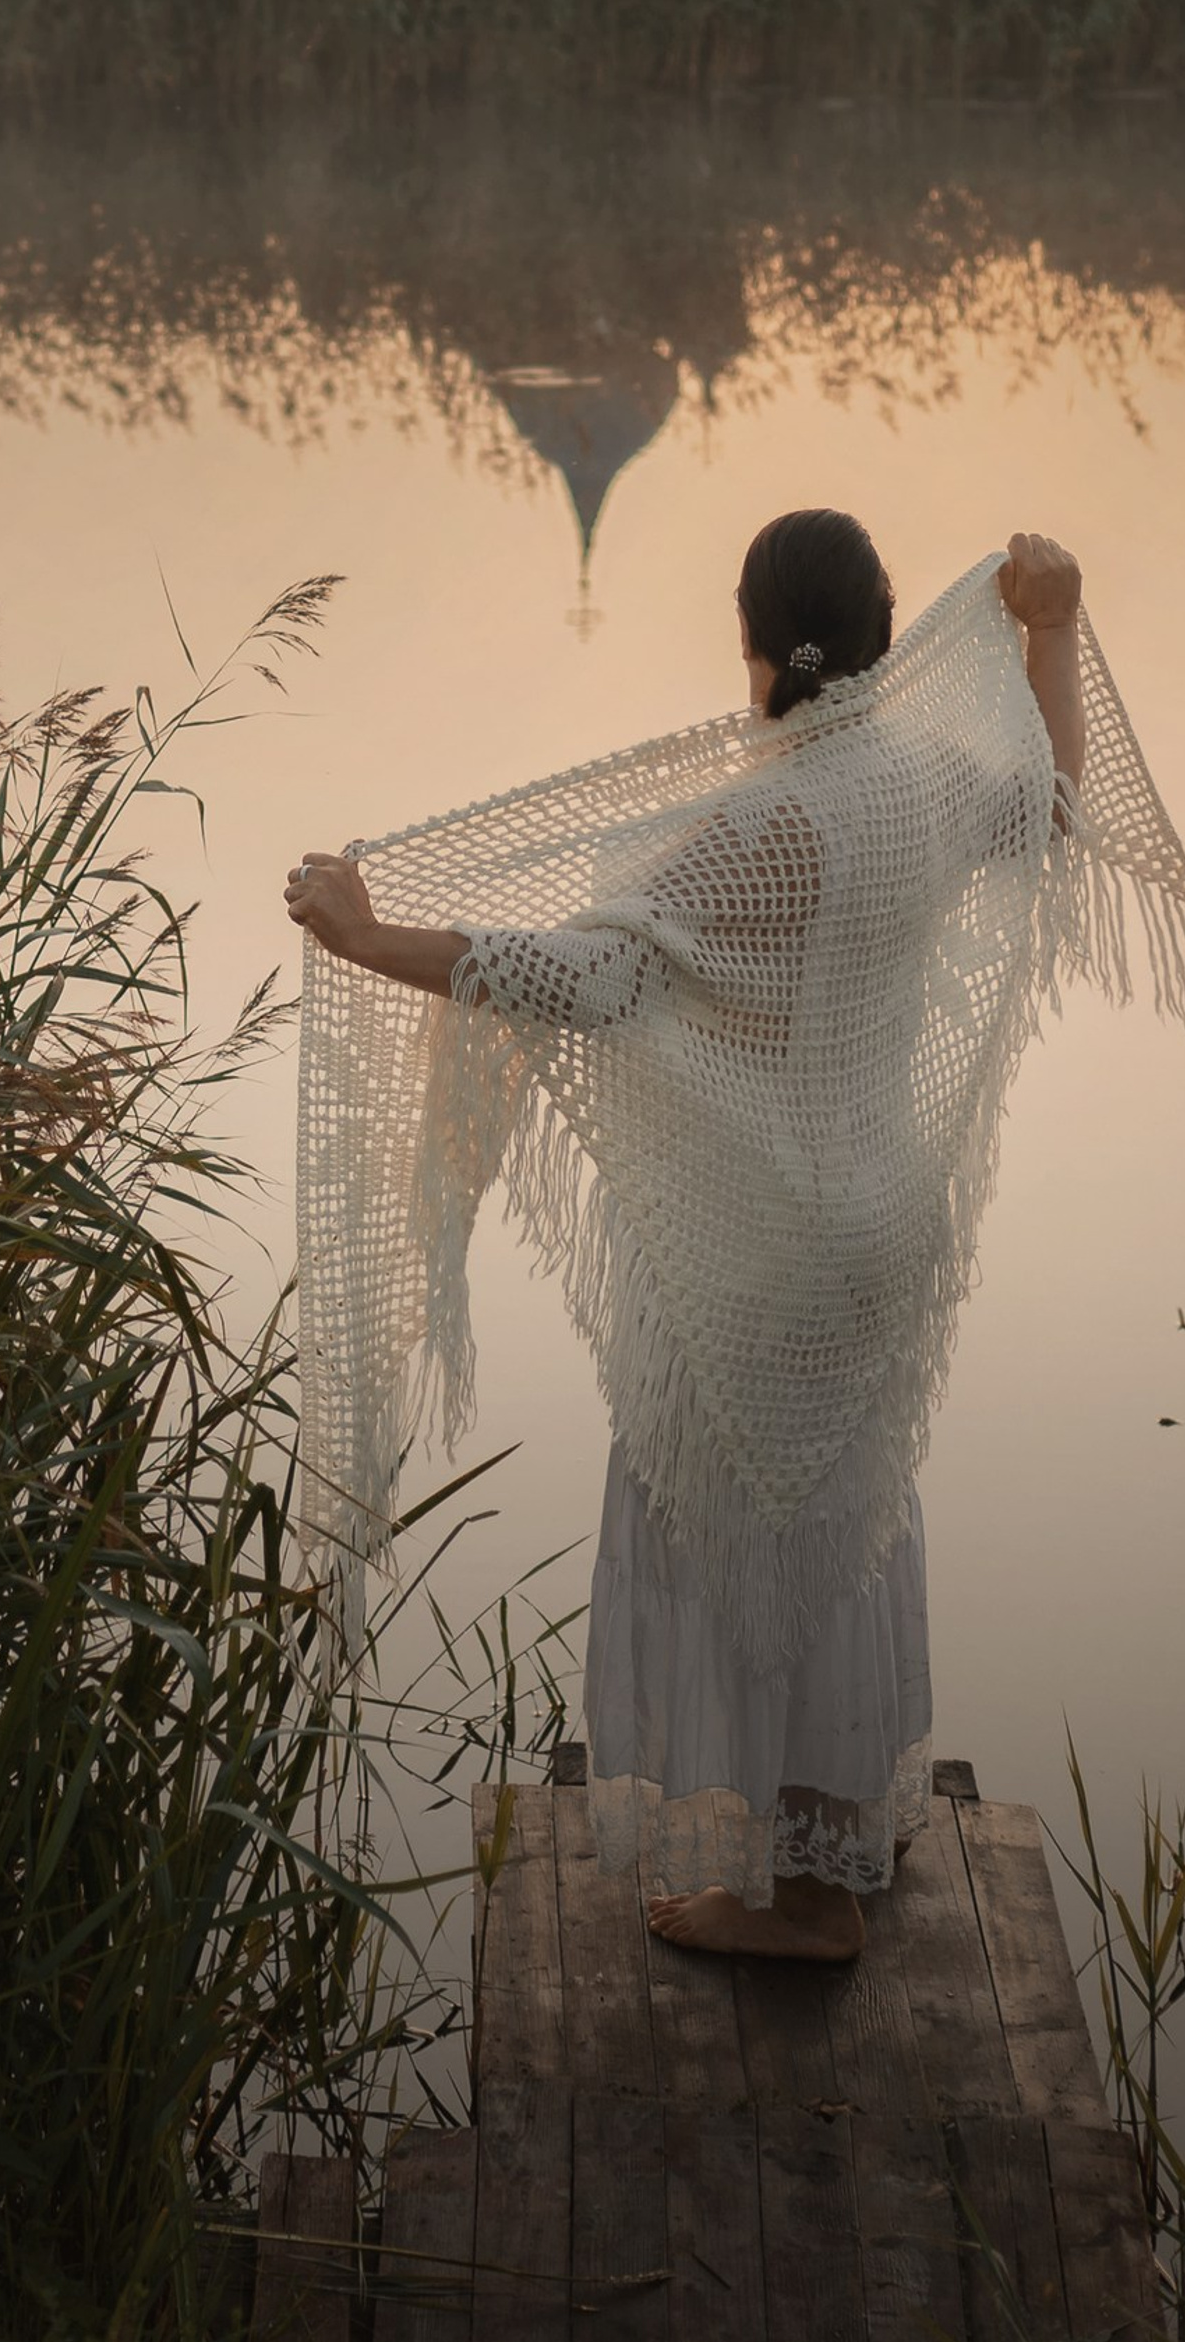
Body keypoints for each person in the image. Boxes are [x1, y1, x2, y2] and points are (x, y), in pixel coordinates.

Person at [285, 518, 1126, 1968]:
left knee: (728, 1535)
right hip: (876, 1243)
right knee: (842, 1529)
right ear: (879, 635)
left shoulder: (762, 825)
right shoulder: (921, 784)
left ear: (755, 645)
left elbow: (584, 977)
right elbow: (1056, 804)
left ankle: (791, 1899)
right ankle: (830, 1846)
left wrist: (372, 938)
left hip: (762, 1256)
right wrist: (1052, 628)